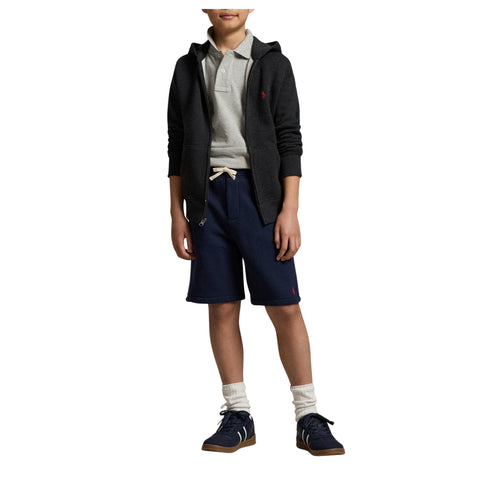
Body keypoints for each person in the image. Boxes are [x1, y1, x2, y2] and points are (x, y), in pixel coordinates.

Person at [167, 8, 345, 456]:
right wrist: (176, 212)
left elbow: (289, 138)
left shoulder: (273, 64)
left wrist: (290, 209)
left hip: (262, 198)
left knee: (284, 305)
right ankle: (238, 414)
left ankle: (308, 415)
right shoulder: (188, 67)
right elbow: (176, 143)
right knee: (222, 304)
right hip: (206, 199)